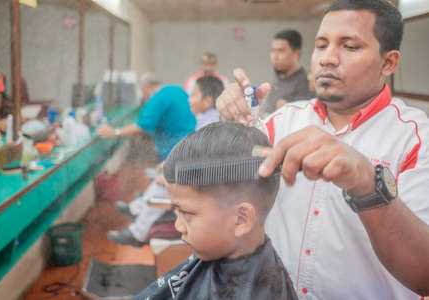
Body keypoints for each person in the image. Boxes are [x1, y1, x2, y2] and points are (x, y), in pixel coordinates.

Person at [216, 0, 429, 298]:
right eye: (321, 45)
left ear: (388, 63)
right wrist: (232, 123)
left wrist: (367, 182)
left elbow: (424, 274)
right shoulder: (282, 122)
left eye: (350, 46)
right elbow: (222, 190)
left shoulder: (415, 138)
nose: (328, 59)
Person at [133, 122, 298, 300]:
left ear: (241, 219)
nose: (178, 225)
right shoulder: (220, 252)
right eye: (176, 211)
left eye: (186, 213)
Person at [110, 75, 225, 246]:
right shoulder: (206, 119)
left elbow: (203, 163)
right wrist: (169, 166)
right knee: (161, 176)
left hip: (205, 185)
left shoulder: (210, 125)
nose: (189, 100)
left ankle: (137, 234)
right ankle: (137, 209)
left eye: (193, 95)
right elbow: (194, 154)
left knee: (162, 185)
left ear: (207, 101)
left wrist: (172, 174)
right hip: (199, 176)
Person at [97, 72, 196, 161]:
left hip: (175, 148)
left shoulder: (158, 97)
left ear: (146, 88)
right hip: (192, 143)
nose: (143, 96)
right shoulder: (176, 89)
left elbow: (142, 125)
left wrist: (115, 132)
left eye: (142, 91)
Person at [260, 29, 315, 115]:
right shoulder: (278, 78)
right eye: (273, 51)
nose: (275, 56)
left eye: (280, 51)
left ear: (296, 53)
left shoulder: (306, 83)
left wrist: (288, 110)